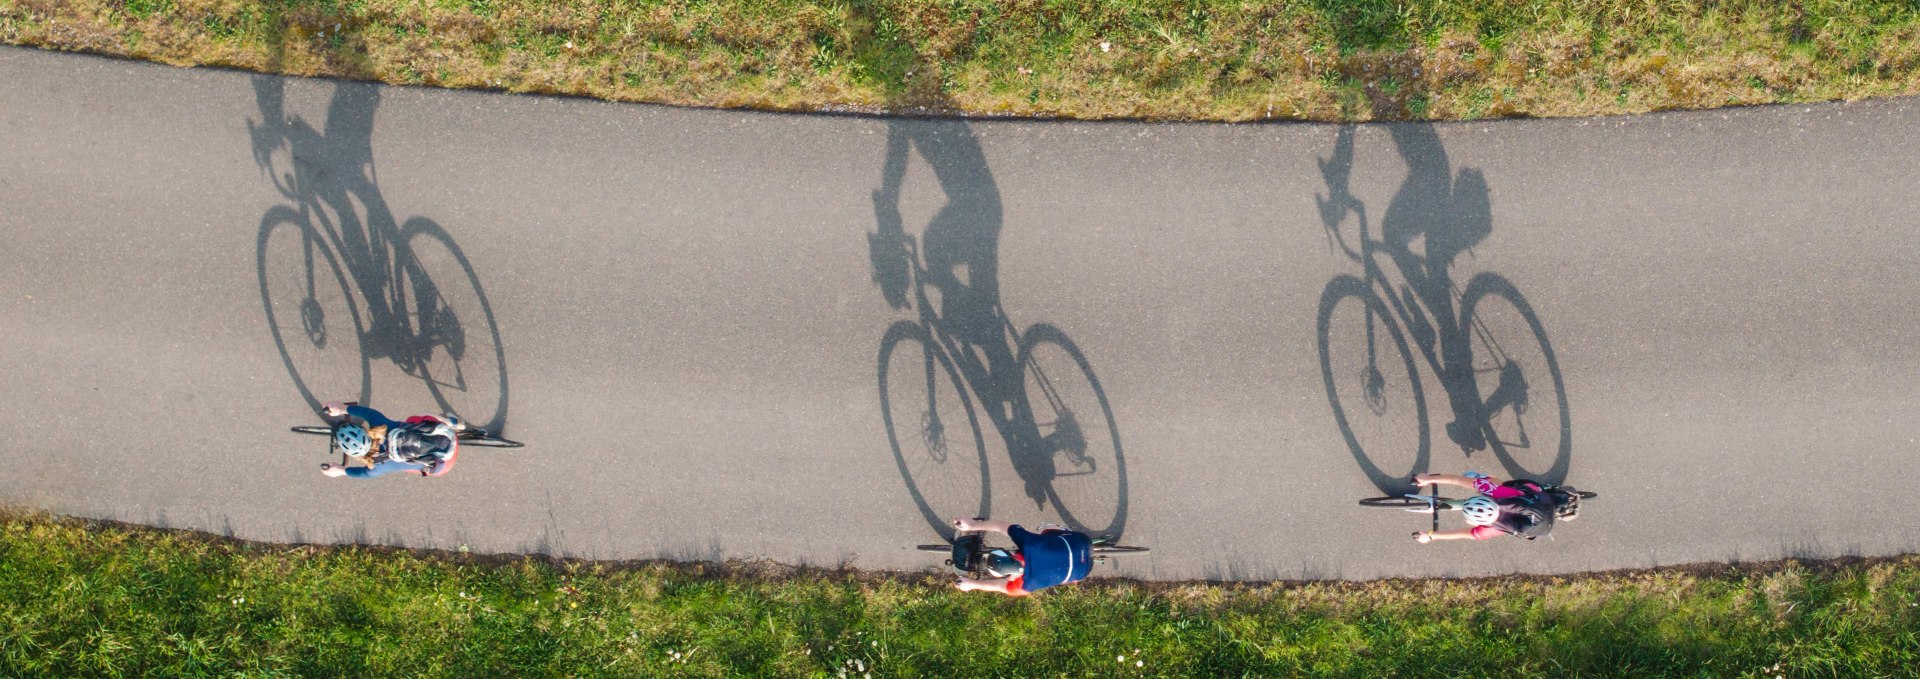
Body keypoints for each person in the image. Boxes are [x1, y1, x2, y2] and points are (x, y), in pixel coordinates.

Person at [1408, 472, 1580, 543]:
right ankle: (1484, 477)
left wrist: (1431, 536)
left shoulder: (1490, 530)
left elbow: (1461, 534)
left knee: (1506, 489)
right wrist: (1428, 478)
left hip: (1536, 522)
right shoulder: (1499, 493)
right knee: (1503, 485)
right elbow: (1459, 481)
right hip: (1529, 501)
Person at [949, 517, 1093, 597]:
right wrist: (973, 525)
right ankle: (1063, 533)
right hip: (1081, 541)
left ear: (1011, 577)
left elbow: (999, 586)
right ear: (1011, 555)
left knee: (1056, 576)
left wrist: (972, 585)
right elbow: (1001, 525)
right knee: (1044, 531)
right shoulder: (1028, 543)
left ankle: (1071, 579)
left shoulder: (1025, 585)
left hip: (1082, 572)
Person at [316, 402, 462, 479]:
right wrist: (341, 408)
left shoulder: (376, 468)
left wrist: (338, 471)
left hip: (442, 466)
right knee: (413, 419)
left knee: (408, 466)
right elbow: (364, 412)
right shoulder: (378, 422)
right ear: (363, 431)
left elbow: (360, 474)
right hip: (447, 437)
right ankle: (454, 423)